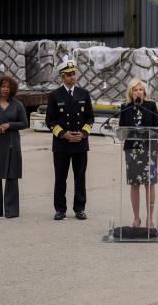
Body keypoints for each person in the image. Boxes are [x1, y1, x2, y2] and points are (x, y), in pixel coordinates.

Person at [47, 58, 95, 221]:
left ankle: (80, 208)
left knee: (80, 177)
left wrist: (83, 133)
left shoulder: (84, 94)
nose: (72, 77)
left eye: (74, 74)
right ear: (62, 77)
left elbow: (90, 118)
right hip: (61, 144)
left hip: (80, 143)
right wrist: (63, 134)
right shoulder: (54, 95)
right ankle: (60, 209)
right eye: (68, 75)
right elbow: (50, 121)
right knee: (60, 178)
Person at [0, 76, 27, 218]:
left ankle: (11, 211)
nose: (5, 89)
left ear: (11, 89)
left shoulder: (17, 105)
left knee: (12, 176)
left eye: (8, 87)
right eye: (3, 86)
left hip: (12, 144)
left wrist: (10, 125)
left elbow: (24, 123)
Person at [118, 79, 158, 229]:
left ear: (144, 92)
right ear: (131, 92)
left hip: (149, 150)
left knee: (149, 184)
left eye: (141, 89)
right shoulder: (125, 108)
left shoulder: (151, 106)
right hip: (132, 150)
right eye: (135, 90)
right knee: (134, 184)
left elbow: (157, 126)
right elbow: (121, 131)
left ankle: (150, 218)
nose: (138, 92)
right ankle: (136, 218)